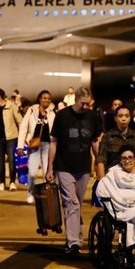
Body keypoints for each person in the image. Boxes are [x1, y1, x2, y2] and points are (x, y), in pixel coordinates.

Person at [45, 87, 103, 255]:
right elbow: (53, 142)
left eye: (88, 104)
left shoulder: (92, 116)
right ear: (76, 100)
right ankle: (74, 242)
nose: (86, 107)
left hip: (83, 167)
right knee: (72, 202)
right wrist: (49, 167)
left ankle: (75, 236)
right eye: (83, 104)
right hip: (63, 166)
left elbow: (95, 141)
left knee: (75, 202)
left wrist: (99, 163)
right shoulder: (62, 116)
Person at [17, 90, 56, 204]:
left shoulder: (52, 113)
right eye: (44, 98)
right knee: (33, 172)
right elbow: (23, 128)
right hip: (34, 145)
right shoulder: (31, 110)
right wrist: (20, 146)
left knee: (47, 172)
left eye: (49, 98)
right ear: (39, 99)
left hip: (48, 145)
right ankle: (30, 193)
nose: (47, 100)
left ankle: (45, 195)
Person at [96, 105, 135, 178]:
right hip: (112, 176)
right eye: (120, 116)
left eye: (126, 116)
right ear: (115, 118)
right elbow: (101, 160)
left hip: (133, 176)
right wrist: (102, 179)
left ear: (130, 118)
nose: (123, 119)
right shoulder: (108, 136)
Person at [0, 88, 24, 191]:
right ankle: (2, 183)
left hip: (11, 137)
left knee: (12, 160)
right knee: (0, 161)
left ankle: (12, 182)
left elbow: (20, 120)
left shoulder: (11, 105)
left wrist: (22, 136)